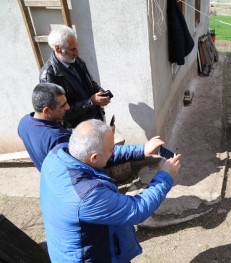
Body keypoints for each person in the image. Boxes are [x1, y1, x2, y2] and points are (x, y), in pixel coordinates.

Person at [40, 119, 181, 262]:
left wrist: (141, 151)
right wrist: (165, 176)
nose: (113, 151)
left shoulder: (58, 154)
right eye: (111, 149)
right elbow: (137, 209)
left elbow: (103, 156)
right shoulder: (88, 196)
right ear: (94, 157)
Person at [39, 25, 111, 128]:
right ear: (58, 49)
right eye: (72, 49)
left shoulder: (77, 61)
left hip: (94, 119)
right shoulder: (48, 76)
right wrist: (90, 102)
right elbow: (59, 113)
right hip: (77, 128)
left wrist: (100, 92)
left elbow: (89, 83)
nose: (77, 53)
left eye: (76, 48)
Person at [18, 83, 71, 171]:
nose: (68, 107)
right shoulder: (58, 137)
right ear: (46, 111)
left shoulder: (23, 122)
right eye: (63, 105)